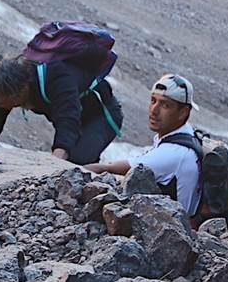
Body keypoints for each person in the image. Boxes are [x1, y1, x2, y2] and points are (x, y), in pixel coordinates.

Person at [0, 49, 123, 165]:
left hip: (101, 116)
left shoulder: (58, 78)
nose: (2, 107)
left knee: (76, 163)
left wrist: (54, 165)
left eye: (4, 103)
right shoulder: (8, 87)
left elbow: (67, 121)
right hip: (75, 116)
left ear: (20, 91)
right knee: (74, 160)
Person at [84, 73, 201, 217]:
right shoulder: (185, 133)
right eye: (153, 101)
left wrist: (72, 170)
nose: (154, 110)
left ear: (183, 113)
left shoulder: (173, 152)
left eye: (165, 105)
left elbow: (109, 169)